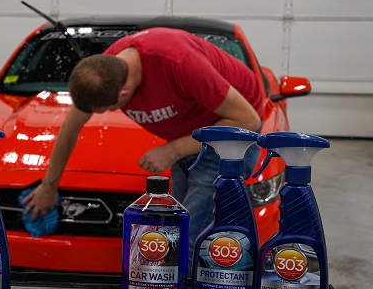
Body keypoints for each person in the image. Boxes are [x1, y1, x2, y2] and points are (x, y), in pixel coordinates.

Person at [22, 27, 264, 253]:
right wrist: (48, 186)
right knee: (175, 228)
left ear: (123, 94)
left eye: (106, 109)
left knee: (187, 238)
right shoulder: (104, 70)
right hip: (188, 137)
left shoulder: (180, 63)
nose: (103, 113)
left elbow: (248, 121)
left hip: (229, 134)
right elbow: (70, 127)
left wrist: (173, 150)